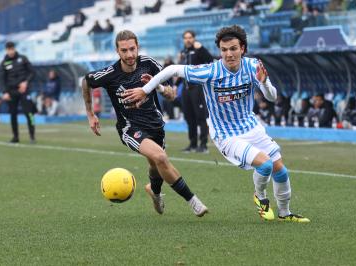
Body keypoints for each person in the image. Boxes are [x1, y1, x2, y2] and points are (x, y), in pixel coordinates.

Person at [123, 25, 310, 223]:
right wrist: (145, 90)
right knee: (265, 165)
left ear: (243, 49)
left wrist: (263, 83)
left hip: (252, 127)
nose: (228, 54)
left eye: (233, 49)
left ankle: (284, 213)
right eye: (224, 50)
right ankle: (260, 198)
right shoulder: (211, 71)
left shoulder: (254, 66)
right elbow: (171, 70)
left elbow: (272, 97)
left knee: (281, 170)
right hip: (226, 134)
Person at [82, 30, 208, 217]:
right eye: (124, 50)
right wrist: (90, 113)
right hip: (130, 128)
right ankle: (193, 201)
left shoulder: (149, 64)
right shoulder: (110, 74)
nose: (129, 54)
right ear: (118, 52)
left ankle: (154, 192)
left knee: (154, 163)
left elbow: (172, 94)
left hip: (155, 125)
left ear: (138, 47)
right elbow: (86, 81)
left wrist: (157, 86)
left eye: (132, 49)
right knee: (160, 158)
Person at [179, 30, 213, 153]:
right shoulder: (183, 52)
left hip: (197, 88)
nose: (188, 40)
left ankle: (203, 145)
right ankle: (192, 144)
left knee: (200, 117)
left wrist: (202, 48)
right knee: (189, 117)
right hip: (185, 88)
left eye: (190, 37)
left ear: (194, 38)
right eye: (185, 37)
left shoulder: (198, 49)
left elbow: (210, 60)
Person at [0, 41, 36, 143]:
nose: (10, 51)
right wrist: (5, 92)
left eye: (12, 49)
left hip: (24, 90)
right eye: (8, 49)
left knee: (29, 113)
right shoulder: (4, 63)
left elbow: (32, 72)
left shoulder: (23, 59)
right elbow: (2, 79)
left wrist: (26, 82)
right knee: (13, 114)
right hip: (11, 91)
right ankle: (15, 137)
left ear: (14, 48)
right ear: (6, 50)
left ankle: (32, 136)